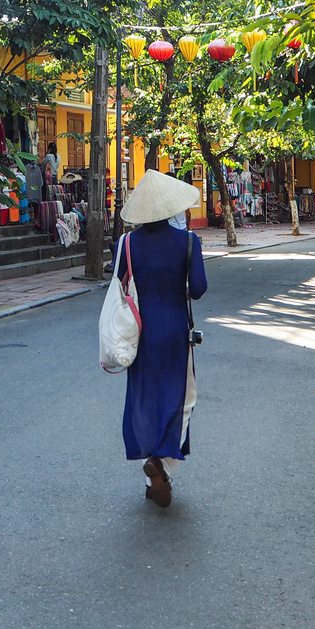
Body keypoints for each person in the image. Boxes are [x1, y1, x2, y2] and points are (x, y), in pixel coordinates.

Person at [113, 170, 207, 510]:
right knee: (182, 398)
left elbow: (120, 287)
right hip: (174, 333)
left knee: (144, 398)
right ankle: (162, 464)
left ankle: (152, 466)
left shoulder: (126, 244)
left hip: (139, 333)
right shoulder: (188, 243)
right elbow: (197, 289)